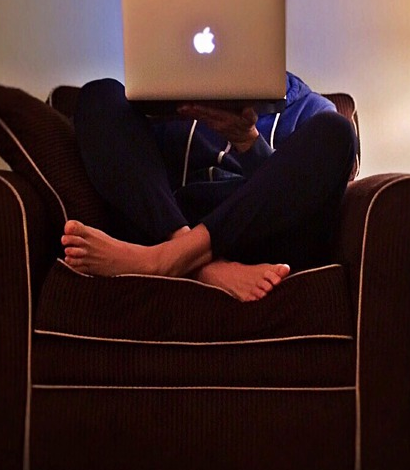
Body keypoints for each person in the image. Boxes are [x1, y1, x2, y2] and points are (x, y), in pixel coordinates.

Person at [60, 73, 357, 301]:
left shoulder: (311, 108)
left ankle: (160, 260)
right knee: (101, 93)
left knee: (337, 131)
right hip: (172, 216)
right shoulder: (170, 97)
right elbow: (135, 172)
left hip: (256, 232)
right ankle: (196, 261)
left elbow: (300, 200)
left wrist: (247, 142)